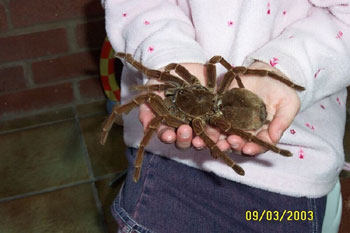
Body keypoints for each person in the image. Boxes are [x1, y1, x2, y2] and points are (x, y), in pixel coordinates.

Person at [102, 0, 350, 232]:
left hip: (295, 179)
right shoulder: (206, 87)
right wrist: (166, 56)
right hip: (166, 171)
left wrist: (285, 69)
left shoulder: (197, 115)